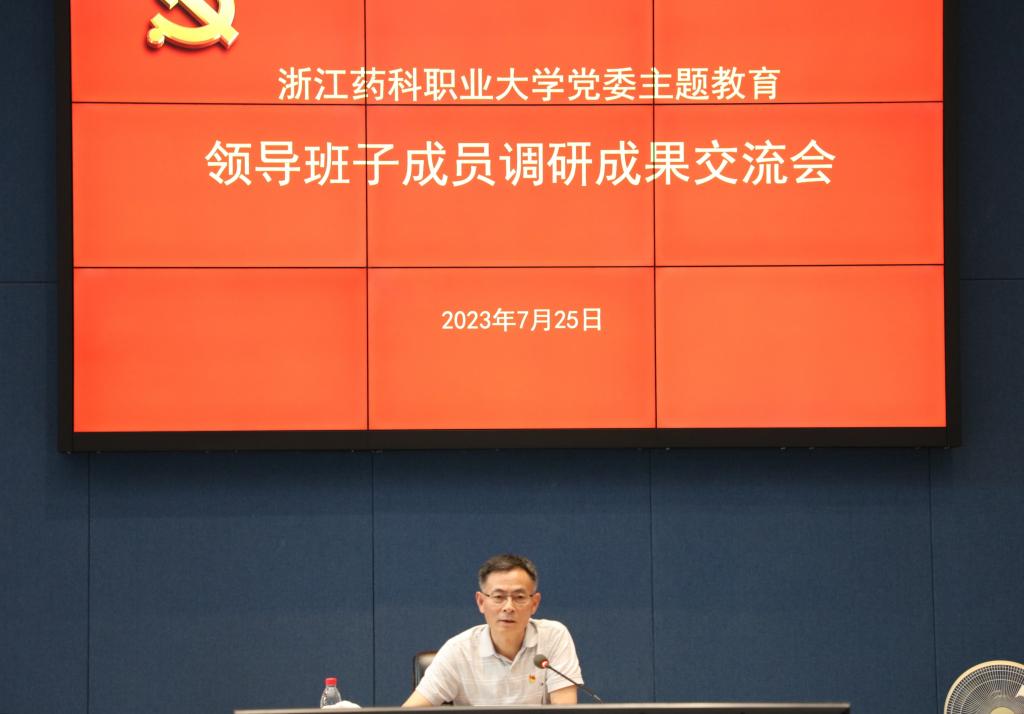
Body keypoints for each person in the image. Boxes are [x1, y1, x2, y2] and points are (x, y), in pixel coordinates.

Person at [402, 554, 583, 706]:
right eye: (498, 597)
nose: (508, 607)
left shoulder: (553, 637)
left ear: (534, 603)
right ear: (481, 602)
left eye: (519, 597)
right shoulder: (458, 651)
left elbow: (565, 710)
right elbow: (410, 711)